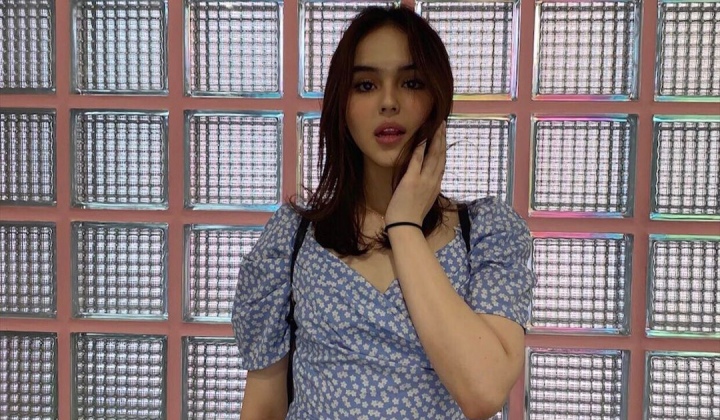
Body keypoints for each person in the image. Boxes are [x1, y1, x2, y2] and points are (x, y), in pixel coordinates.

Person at [232, 5, 534, 419]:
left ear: (437, 99)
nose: (389, 102)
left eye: (411, 82)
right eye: (366, 85)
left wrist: (404, 224)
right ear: (342, 104)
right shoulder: (293, 235)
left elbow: (483, 392)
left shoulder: (486, 233)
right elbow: (264, 406)